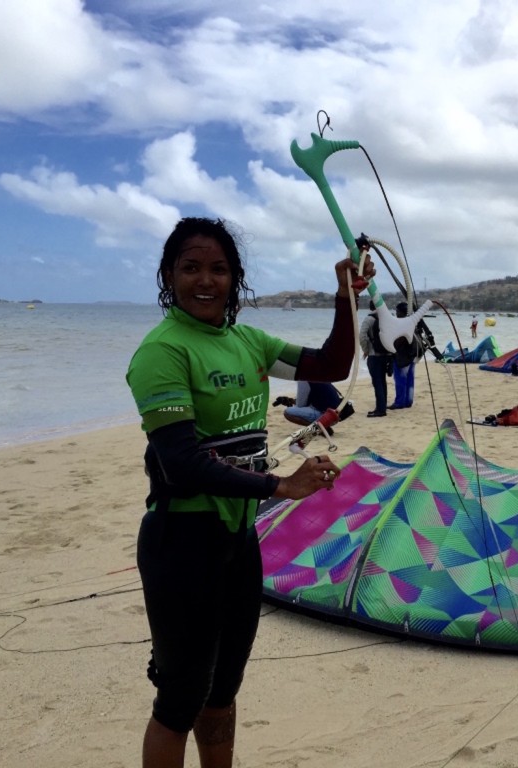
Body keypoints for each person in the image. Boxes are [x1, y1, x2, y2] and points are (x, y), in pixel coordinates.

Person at [125, 216, 372, 768]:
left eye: (218, 269)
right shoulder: (163, 351)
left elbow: (331, 364)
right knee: (179, 699)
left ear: (236, 278)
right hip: (180, 542)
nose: (205, 281)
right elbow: (182, 463)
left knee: (222, 692)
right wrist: (279, 485)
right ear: (170, 274)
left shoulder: (248, 342)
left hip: (238, 542)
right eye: (191, 268)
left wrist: (345, 299)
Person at [274, 381, 355, 434]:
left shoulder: (303, 378)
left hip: (325, 415)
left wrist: (290, 402)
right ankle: (322, 427)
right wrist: (290, 400)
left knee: (288, 412)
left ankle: (320, 429)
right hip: (335, 414)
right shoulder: (317, 374)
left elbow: (301, 404)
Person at [359, 306, 392, 417]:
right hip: (386, 355)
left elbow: (362, 336)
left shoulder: (369, 319)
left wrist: (366, 350)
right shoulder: (387, 318)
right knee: (382, 382)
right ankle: (382, 406)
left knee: (377, 382)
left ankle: (380, 410)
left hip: (374, 355)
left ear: (370, 306)